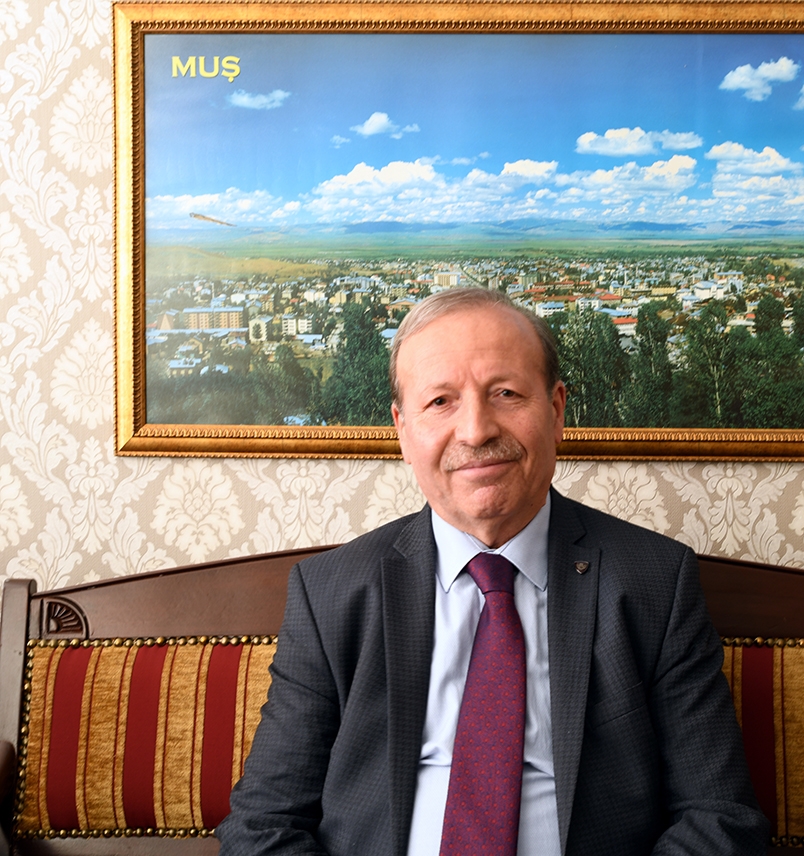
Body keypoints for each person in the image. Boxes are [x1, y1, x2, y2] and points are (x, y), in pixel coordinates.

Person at [217, 287, 769, 855]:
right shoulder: (330, 592)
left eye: (506, 393)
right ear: (402, 431)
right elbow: (263, 826)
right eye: (440, 402)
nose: (476, 430)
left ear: (556, 411)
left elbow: (719, 817)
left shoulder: (655, 580)